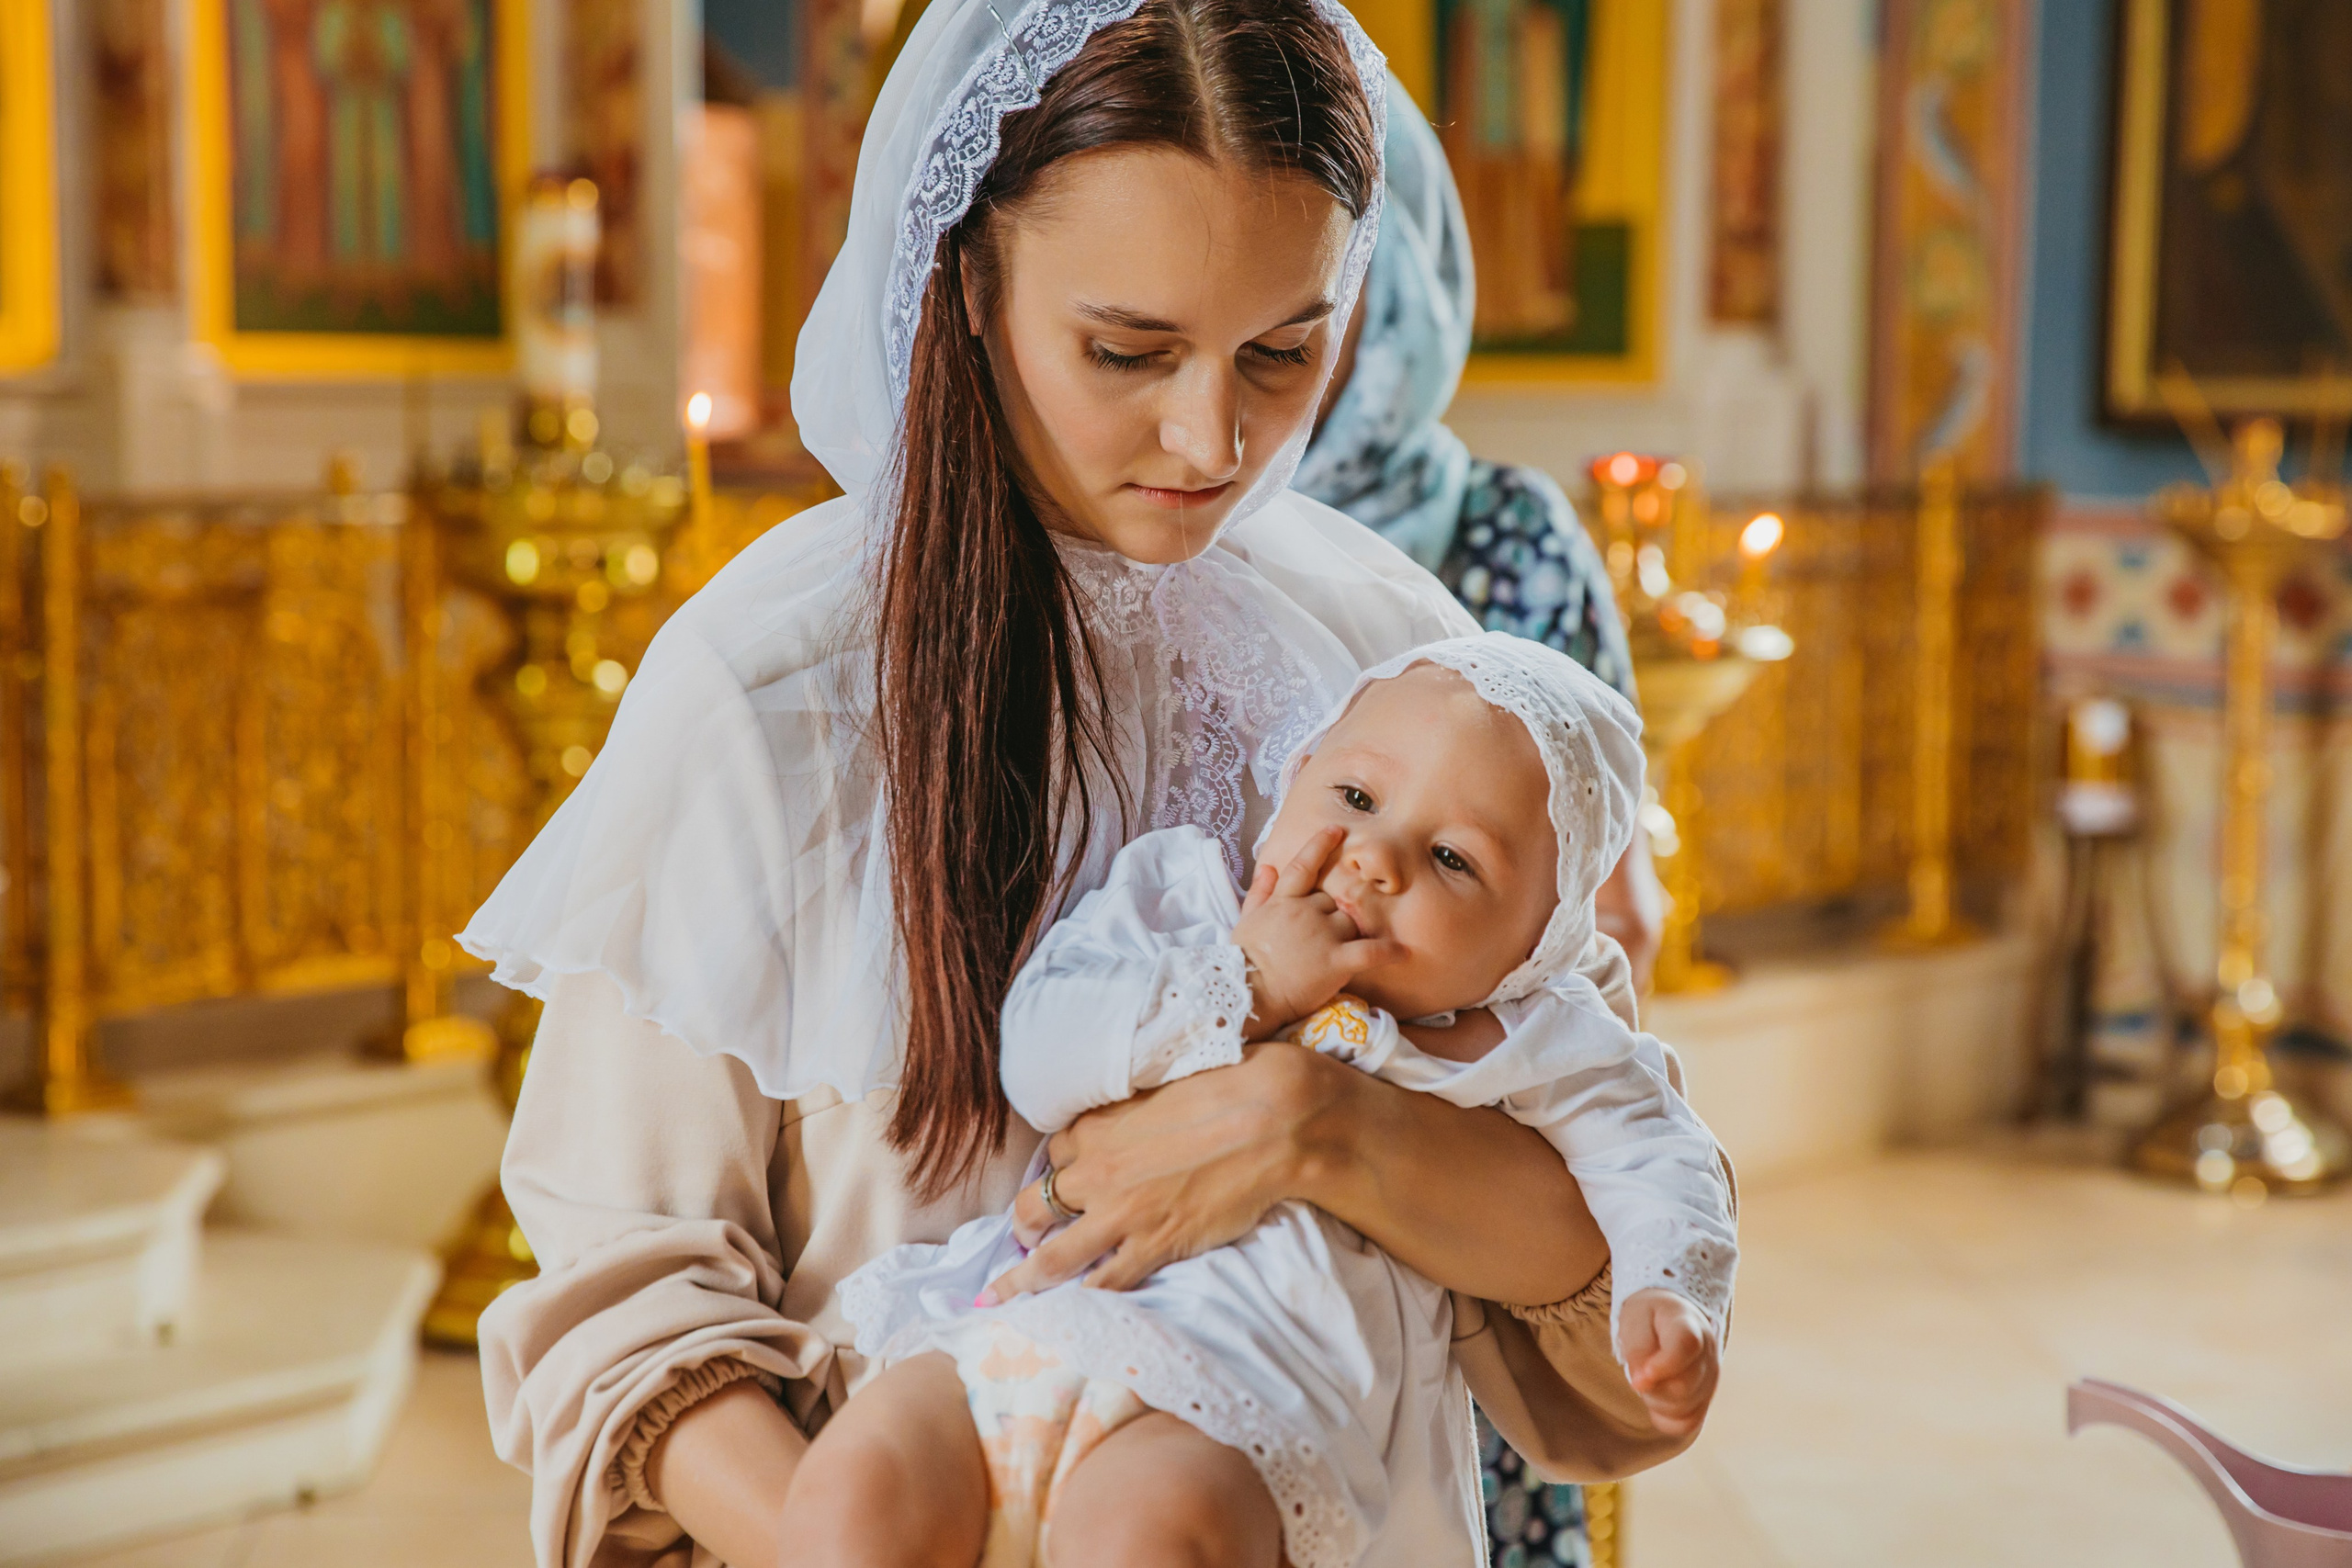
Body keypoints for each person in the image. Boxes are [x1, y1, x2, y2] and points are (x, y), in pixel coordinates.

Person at [463, 2, 1721, 1564]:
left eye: (1286, 349)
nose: (1214, 436)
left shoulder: (1397, 658)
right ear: (974, 281)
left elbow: (1598, 1210)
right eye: (1127, 350)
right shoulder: (770, 689)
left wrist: (1312, 1124)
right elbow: (632, 1311)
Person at [828, 636, 1735, 1568]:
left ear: (1536, 942)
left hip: (1247, 1410)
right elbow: (1041, 1059)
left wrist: (1667, 1290)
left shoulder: (1530, 1038)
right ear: (1296, 773)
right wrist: (1244, 980)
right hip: (1026, 1332)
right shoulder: (1182, 903)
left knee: (1148, 1532)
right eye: (1354, 797)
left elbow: (1660, 1160)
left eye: (1453, 860)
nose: (1375, 857)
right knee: (860, 1483)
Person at [1295, 87, 1661, 989]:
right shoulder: (1153, 517)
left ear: (1397, 295)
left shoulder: (1508, 535)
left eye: (1316, 284)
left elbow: (1613, 916)